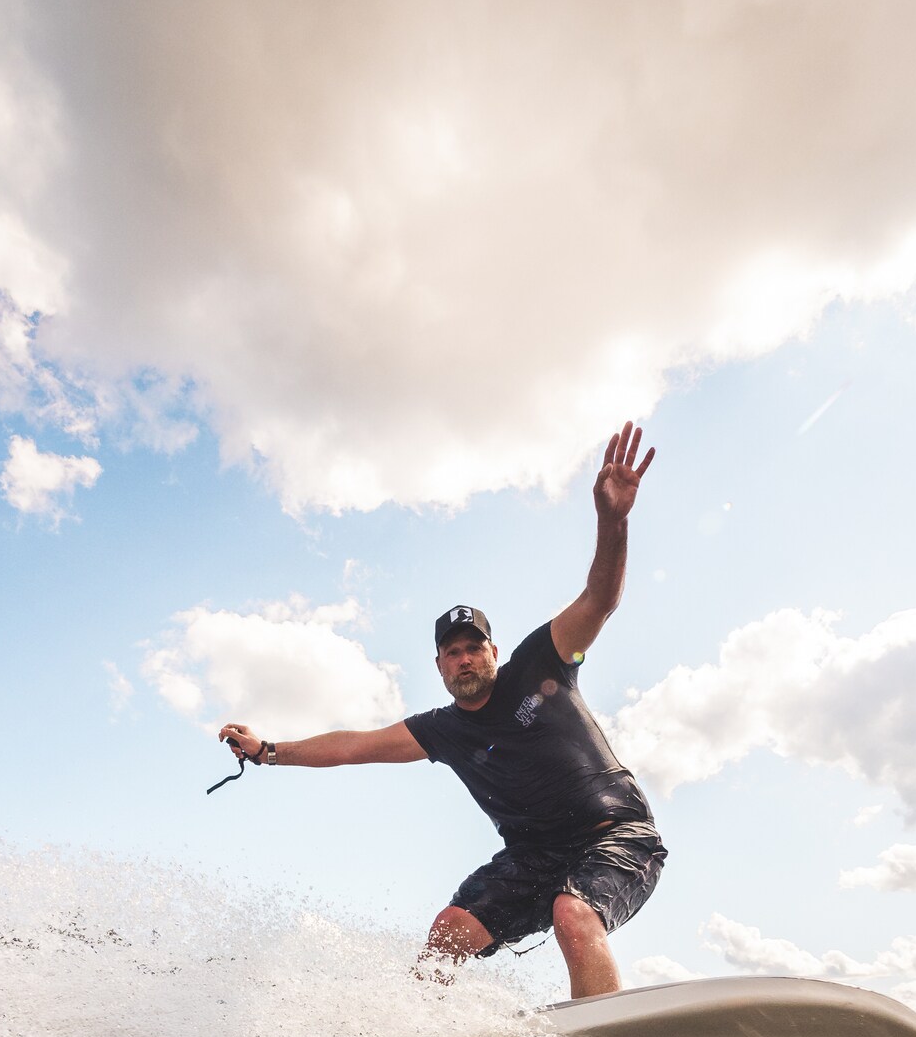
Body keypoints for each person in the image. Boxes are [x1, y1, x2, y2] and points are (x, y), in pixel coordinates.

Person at [217, 422, 666, 999]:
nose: (464, 659)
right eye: (452, 653)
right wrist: (268, 751)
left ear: (494, 652)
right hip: (535, 855)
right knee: (449, 931)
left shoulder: (544, 662)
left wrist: (613, 520)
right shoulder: (444, 730)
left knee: (573, 914)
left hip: (616, 835)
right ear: (439, 666)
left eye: (474, 647)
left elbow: (599, 600)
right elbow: (353, 746)